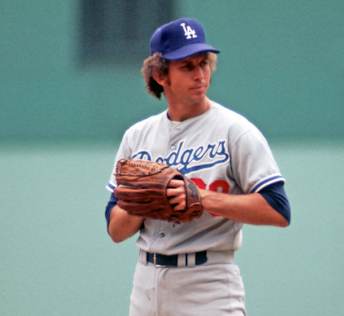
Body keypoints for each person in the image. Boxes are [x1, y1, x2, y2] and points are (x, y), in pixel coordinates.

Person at [104, 17, 291, 316]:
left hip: (208, 281)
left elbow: (278, 210)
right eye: (187, 67)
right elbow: (115, 230)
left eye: (204, 63)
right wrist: (146, 199)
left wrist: (202, 197)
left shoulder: (235, 131)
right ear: (161, 75)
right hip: (146, 281)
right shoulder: (137, 137)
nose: (200, 75)